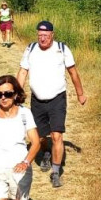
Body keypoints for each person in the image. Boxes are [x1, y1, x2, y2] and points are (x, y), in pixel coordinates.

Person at [16, 20, 86, 188]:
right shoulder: (30, 49)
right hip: (37, 100)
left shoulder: (61, 49)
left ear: (52, 35)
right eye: (40, 35)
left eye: (46, 35)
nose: (42, 38)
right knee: (39, 137)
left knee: (57, 135)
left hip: (57, 99)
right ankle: (46, 152)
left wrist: (80, 93)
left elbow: (73, 72)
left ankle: (55, 171)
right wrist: (16, 95)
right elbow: (23, 72)